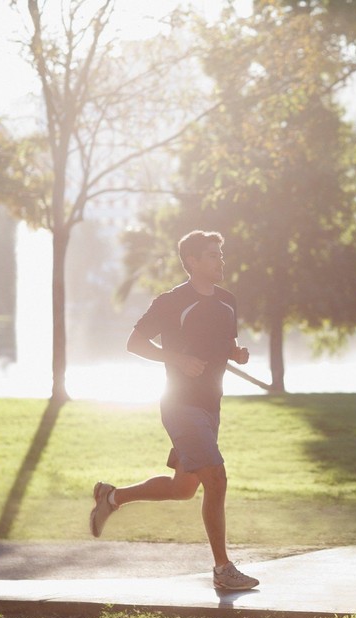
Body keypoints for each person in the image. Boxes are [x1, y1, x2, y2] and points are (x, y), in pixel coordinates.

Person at [88, 230, 259, 591]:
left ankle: (112, 497)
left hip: (211, 406)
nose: (220, 261)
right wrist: (176, 358)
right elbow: (135, 343)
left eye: (220, 254)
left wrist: (235, 353)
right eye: (212, 255)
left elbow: (222, 343)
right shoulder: (171, 301)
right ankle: (223, 570)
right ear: (192, 262)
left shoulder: (227, 300)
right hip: (181, 405)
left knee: (183, 488)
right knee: (217, 479)